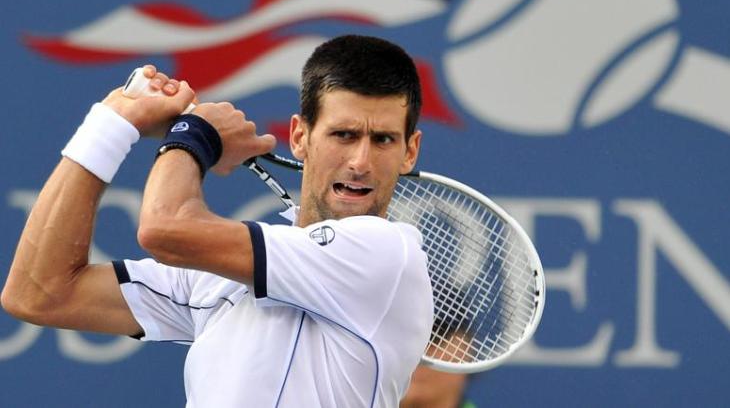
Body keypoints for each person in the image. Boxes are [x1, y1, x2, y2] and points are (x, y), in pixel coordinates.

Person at [2, 35, 434, 407]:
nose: (360, 162)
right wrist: (111, 123)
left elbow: (163, 228)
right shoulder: (218, 279)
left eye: (383, 140)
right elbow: (39, 293)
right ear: (300, 137)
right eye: (344, 135)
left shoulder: (387, 253)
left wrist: (195, 134)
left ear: (409, 151)